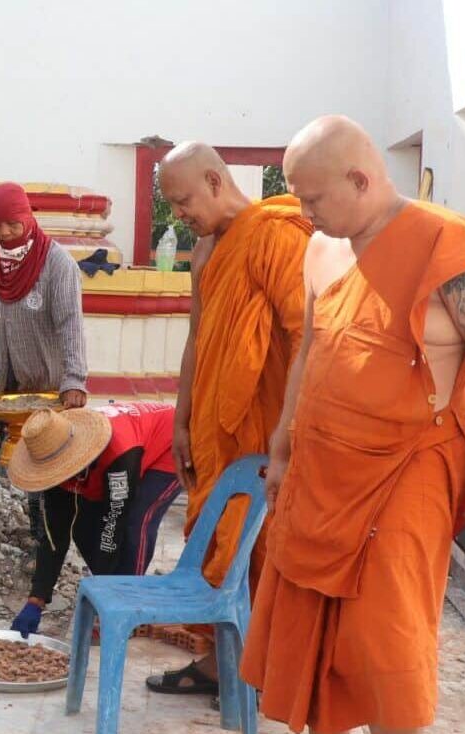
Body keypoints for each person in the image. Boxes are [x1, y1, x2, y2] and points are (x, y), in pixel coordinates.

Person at [228, 115, 465, 734]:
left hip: (408, 470)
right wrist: (281, 447)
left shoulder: (450, 248)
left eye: (314, 199)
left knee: (385, 638)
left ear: (361, 179)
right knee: (314, 624)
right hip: (320, 469)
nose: (305, 215)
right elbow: (312, 351)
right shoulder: (323, 250)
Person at [144, 142, 310, 697]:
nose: (179, 214)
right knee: (212, 536)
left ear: (215, 180)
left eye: (183, 200)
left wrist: (288, 436)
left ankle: (266, 675)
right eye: (170, 205)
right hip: (216, 432)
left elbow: (305, 338)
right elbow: (197, 338)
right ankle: (216, 666)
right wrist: (182, 421)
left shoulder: (276, 235)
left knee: (257, 547)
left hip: (265, 428)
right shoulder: (204, 251)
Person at [0, 182, 89, 540]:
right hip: (7, 380)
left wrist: (74, 381)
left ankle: (42, 536)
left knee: (41, 460)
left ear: (27, 218)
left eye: (13, 224)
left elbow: (70, 325)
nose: (5, 234)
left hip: (49, 385)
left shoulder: (58, 265)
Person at [6, 403, 182, 637]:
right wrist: (36, 600)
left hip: (169, 446)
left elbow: (114, 525)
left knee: (136, 522)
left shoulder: (120, 457)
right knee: (83, 527)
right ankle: (111, 595)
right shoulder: (53, 453)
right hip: (120, 452)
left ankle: (126, 608)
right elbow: (54, 535)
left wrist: (105, 594)